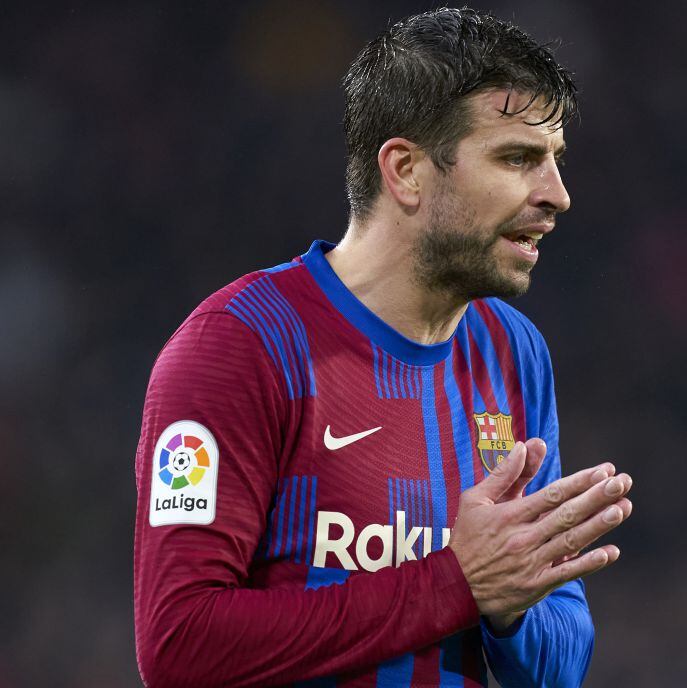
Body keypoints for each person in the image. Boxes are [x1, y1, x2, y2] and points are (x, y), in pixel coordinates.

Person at [132, 7, 633, 687]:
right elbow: (180, 645)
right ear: (406, 171)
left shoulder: (512, 354)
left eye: (555, 162)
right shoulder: (238, 346)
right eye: (517, 158)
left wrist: (511, 608)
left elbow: (556, 666)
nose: (558, 195)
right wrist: (456, 581)